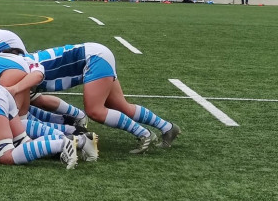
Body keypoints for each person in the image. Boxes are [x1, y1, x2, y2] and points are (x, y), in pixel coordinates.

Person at [31, 43, 181, 153]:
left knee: (95, 110)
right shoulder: (18, 64)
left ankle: (145, 134)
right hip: (96, 55)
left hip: (94, 58)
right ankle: (168, 128)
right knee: (121, 106)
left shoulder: (16, 71)